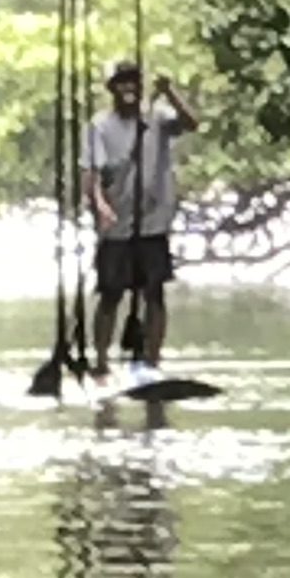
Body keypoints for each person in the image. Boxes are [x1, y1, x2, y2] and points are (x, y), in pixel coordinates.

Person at [85, 57, 202, 373]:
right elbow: (91, 173)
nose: (128, 88)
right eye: (122, 82)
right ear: (112, 88)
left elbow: (192, 123)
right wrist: (100, 205)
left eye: (133, 81)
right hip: (117, 224)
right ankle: (101, 362)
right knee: (110, 294)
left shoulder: (158, 118)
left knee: (154, 293)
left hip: (153, 221)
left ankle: (152, 360)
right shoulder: (100, 126)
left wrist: (170, 92)